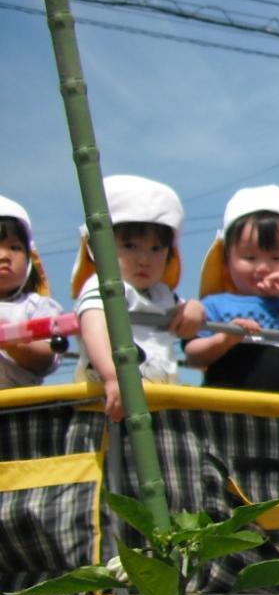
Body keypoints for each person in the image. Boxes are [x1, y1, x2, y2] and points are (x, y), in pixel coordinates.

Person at [72, 175, 204, 422]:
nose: (144, 259)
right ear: (95, 246)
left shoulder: (163, 295)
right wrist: (113, 376)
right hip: (108, 405)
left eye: (157, 249)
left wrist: (195, 309)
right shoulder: (102, 286)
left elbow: (187, 321)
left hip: (160, 405)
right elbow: (94, 329)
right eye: (130, 246)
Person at [186, 186, 279, 393]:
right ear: (226, 260)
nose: (263, 267)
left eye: (276, 258)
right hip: (225, 408)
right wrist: (224, 339)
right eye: (250, 257)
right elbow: (193, 356)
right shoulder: (214, 304)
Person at [0, 196, 63, 389]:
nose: (4, 256)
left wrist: (13, 343)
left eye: (15, 247)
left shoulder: (36, 306)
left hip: (20, 408)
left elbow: (46, 358)